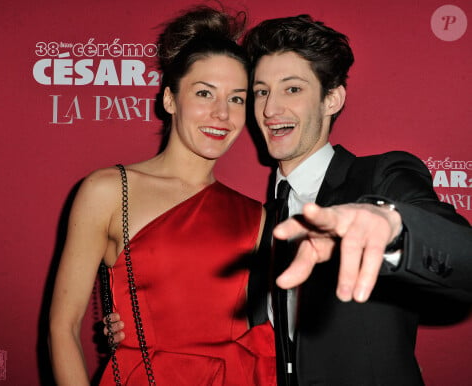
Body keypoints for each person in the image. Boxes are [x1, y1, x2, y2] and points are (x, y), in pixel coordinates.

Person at [48, 5, 276, 386]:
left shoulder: (256, 216)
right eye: (204, 93)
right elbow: (63, 328)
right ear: (170, 100)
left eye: (236, 99)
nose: (221, 113)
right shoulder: (109, 190)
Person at [243, 14, 472, 386]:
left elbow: (465, 256)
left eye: (293, 89)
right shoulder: (261, 217)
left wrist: (394, 227)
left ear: (331, 98)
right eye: (261, 91)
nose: (270, 109)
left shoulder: (380, 179)